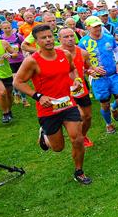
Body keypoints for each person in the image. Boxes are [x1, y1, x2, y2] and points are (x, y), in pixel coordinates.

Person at [14, 24, 92, 185]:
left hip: (68, 103)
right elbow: (18, 82)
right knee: (58, 148)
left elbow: (72, 70)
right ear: (36, 42)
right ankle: (44, 134)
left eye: (50, 36)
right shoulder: (32, 61)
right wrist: (38, 96)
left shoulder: (65, 54)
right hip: (48, 108)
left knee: (77, 139)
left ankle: (79, 171)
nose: (48, 40)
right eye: (43, 38)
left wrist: (76, 80)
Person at [78, 17, 118, 135]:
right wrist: (90, 70)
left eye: (99, 25)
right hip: (98, 79)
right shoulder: (83, 43)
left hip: (113, 74)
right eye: (95, 26)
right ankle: (108, 124)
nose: (98, 28)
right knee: (104, 104)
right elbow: (80, 61)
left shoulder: (109, 38)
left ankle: (113, 107)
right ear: (88, 27)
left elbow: (116, 50)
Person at [58, 27, 93, 148]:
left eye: (72, 36)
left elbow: (88, 68)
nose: (70, 39)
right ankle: (77, 138)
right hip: (64, 91)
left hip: (80, 88)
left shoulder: (83, 53)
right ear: (59, 39)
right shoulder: (56, 53)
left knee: (88, 117)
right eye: (66, 37)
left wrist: (92, 71)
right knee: (80, 115)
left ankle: (82, 135)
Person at [0, 21, 29, 107]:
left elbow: (24, 45)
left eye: (9, 27)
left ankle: (24, 99)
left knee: (21, 80)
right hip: (9, 63)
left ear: (11, 28)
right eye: (5, 28)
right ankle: (16, 93)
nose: (7, 29)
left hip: (20, 60)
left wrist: (25, 54)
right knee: (15, 80)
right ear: (2, 29)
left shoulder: (18, 36)